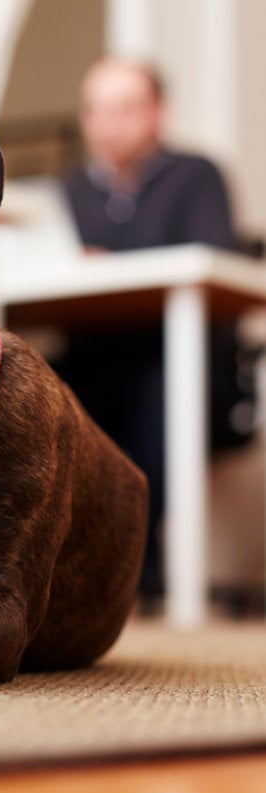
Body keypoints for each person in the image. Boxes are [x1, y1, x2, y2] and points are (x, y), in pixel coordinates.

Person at [57, 56, 254, 608]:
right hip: (97, 361)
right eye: (96, 108)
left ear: (156, 114)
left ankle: (138, 569)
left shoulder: (197, 175)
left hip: (189, 367)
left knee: (157, 387)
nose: (108, 122)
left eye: (124, 107)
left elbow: (212, 260)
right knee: (36, 386)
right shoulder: (70, 190)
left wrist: (107, 261)